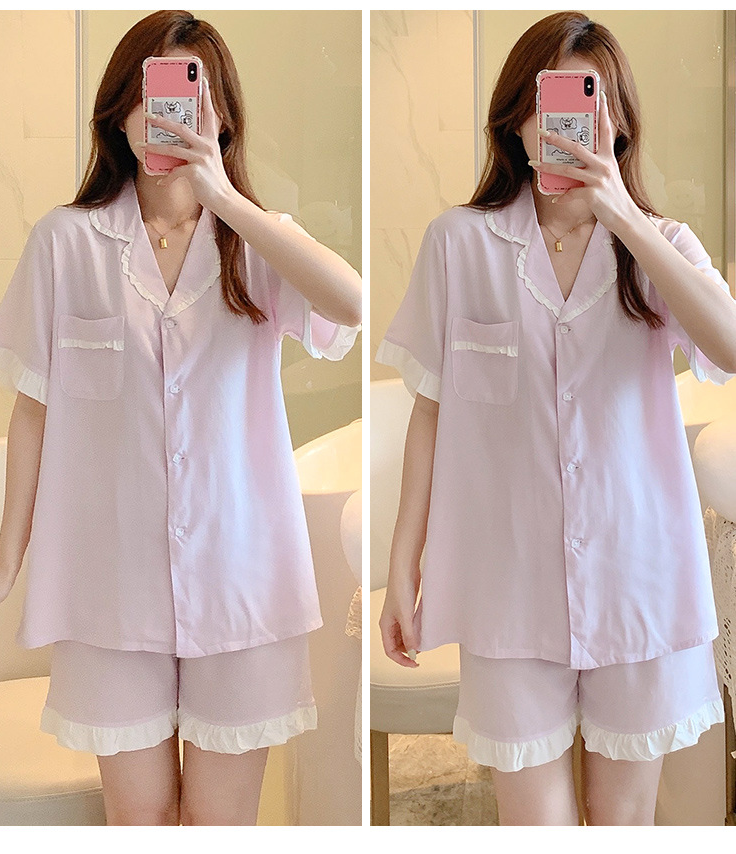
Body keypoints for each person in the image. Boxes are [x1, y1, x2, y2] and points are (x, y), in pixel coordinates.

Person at [0, 10, 361, 826]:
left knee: (218, 827)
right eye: (148, 92)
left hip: (241, 577)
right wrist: (6, 559)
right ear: (118, 111)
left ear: (222, 115)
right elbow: (34, 408)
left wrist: (224, 197)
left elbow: (350, 304)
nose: (163, 114)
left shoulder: (255, 244)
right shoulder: (66, 243)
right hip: (109, 586)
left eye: (187, 93)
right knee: (139, 826)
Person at [375, 11, 736, 826]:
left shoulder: (659, 245)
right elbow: (430, 413)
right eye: (551, 104)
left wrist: (623, 215)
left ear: (618, 124)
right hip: (507, 587)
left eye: (588, 104)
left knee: (622, 825)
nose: (566, 125)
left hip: (638, 579)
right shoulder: (459, 244)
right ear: (517, 119)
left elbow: (731, 345)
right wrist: (404, 563)